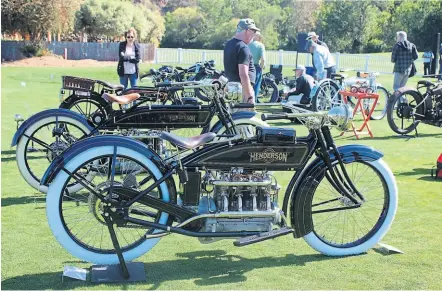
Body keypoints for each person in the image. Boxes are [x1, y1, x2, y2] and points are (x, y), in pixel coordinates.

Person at [223, 18, 260, 104]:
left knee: (233, 116)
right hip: (242, 91)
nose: (254, 35)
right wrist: (249, 95)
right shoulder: (243, 47)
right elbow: (243, 74)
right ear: (247, 31)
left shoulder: (229, 44)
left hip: (231, 89)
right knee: (246, 117)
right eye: (253, 31)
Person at [248, 31, 266, 102]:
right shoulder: (261, 45)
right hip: (256, 67)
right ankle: (253, 104)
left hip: (247, 66)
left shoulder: (247, 44)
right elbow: (263, 59)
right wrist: (261, 67)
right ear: (259, 37)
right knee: (255, 87)